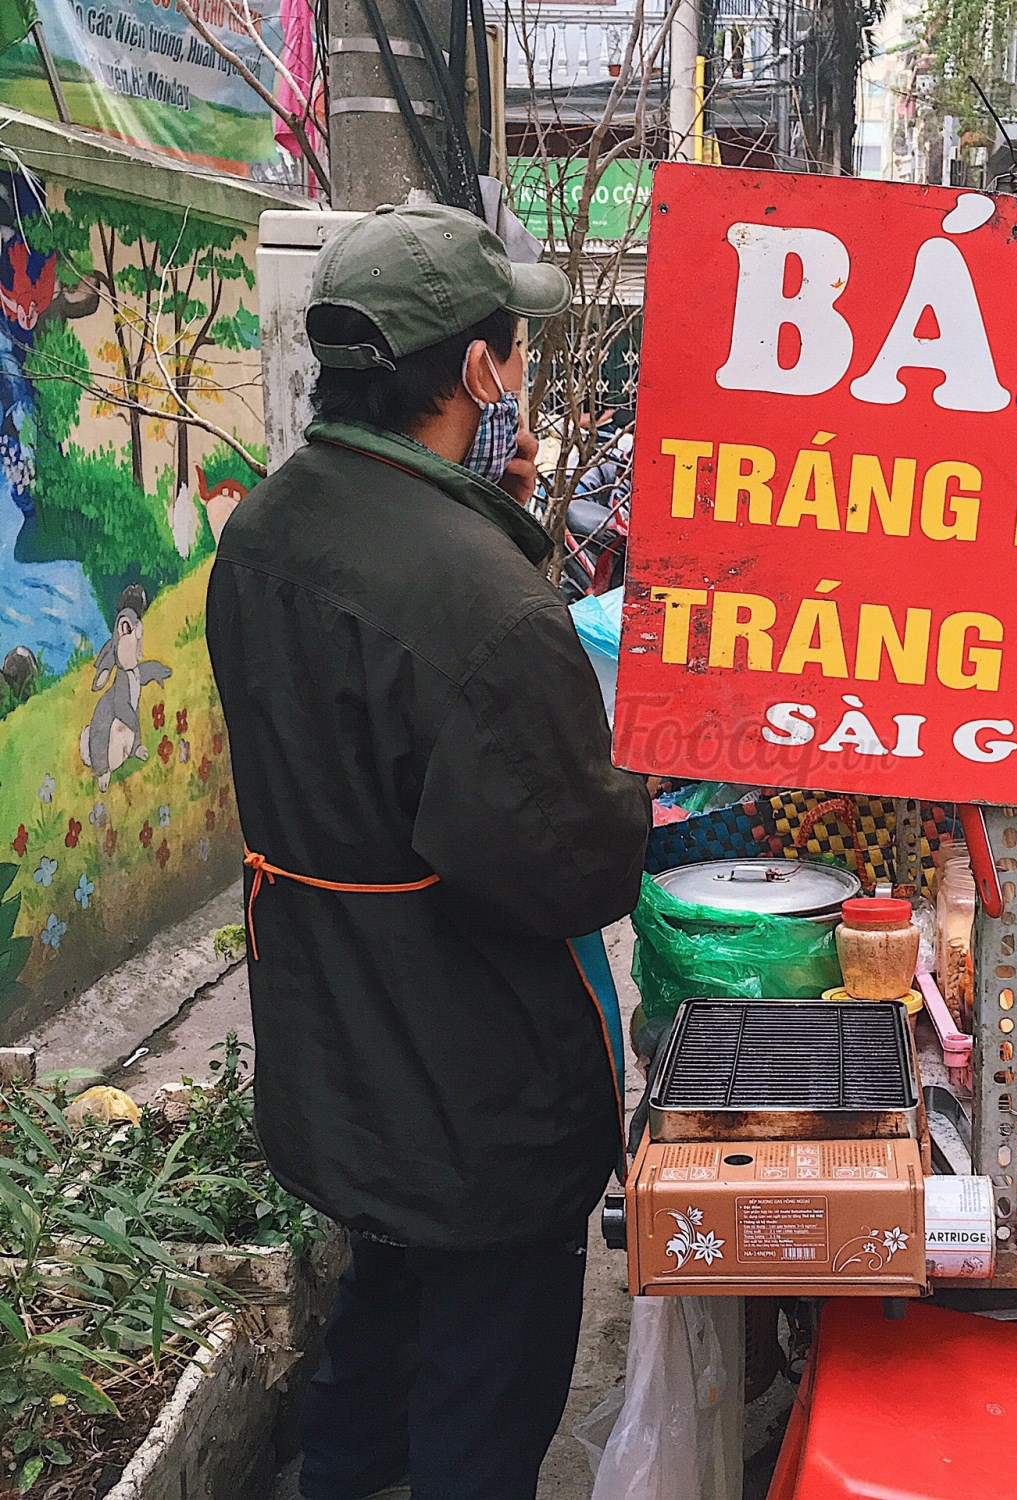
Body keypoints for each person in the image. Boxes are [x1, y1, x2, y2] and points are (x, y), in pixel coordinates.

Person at [205, 204, 652, 1500]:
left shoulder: (264, 530)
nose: (521, 373)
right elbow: (575, 870)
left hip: (342, 1055)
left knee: (381, 1329)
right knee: (478, 1403)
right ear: (475, 372)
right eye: (514, 348)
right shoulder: (484, 599)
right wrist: (631, 772)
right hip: (478, 1090)